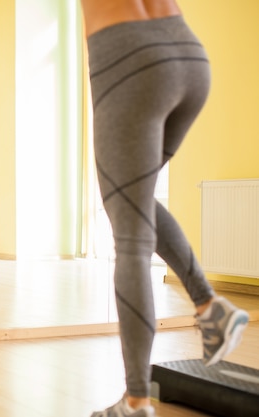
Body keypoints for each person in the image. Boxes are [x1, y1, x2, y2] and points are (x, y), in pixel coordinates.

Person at [80, 1, 249, 416]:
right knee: (131, 202)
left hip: (128, 58)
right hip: (188, 53)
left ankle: (136, 401)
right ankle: (210, 306)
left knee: (130, 238)